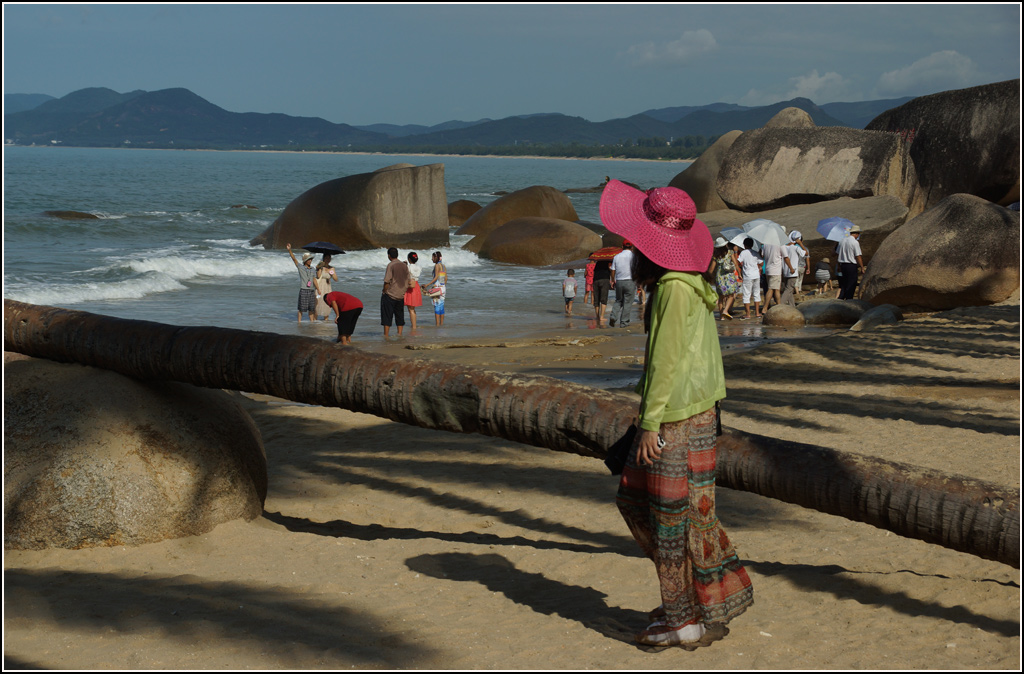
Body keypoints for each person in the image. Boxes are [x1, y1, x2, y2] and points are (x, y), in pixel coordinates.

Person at [599, 180, 753, 648]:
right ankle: (694, 605)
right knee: (688, 515)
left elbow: (665, 361)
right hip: (701, 413)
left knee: (663, 517)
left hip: (675, 420)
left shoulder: (672, 290)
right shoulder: (694, 287)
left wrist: (650, 423)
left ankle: (683, 619)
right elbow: (700, 359)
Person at [381, 247, 410, 338]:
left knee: (387, 316)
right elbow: (408, 280)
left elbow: (387, 281)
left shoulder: (391, 265)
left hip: (390, 294)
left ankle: (386, 335)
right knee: (399, 316)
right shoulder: (404, 265)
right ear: (397, 255)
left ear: (389, 256)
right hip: (400, 295)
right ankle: (399, 334)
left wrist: (384, 291)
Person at [285, 243, 318, 323]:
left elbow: (314, 279)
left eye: (311, 259)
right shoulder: (301, 267)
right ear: (305, 260)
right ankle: (299, 322)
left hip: (311, 290)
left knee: (311, 309)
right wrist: (289, 250)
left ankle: (311, 323)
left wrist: (318, 289)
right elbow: (294, 259)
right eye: (309, 259)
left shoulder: (313, 269)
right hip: (303, 289)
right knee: (301, 309)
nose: (310, 261)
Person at [712, 238, 741, 320]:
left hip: (719, 277)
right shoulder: (729, 253)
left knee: (721, 297)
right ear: (725, 245)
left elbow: (712, 269)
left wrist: (710, 277)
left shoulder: (715, 255)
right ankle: (725, 310)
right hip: (729, 276)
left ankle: (722, 317)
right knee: (731, 295)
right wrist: (739, 274)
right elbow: (735, 264)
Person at [609, 241, 636, 328]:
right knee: (627, 303)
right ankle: (624, 323)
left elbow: (613, 270)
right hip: (630, 281)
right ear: (632, 247)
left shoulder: (617, 257)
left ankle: (613, 316)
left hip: (619, 281)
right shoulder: (634, 257)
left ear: (622, 246)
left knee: (618, 300)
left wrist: (613, 281)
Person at [837, 225, 865, 300]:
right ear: (856, 234)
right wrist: (862, 267)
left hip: (843, 265)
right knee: (852, 283)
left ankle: (841, 298)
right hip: (851, 265)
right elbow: (858, 256)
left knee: (844, 283)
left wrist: (838, 265)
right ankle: (849, 299)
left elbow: (838, 253)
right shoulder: (855, 242)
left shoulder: (842, 241)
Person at [737, 238, 762, 319]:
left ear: (744, 245)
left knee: (747, 294)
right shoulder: (755, 252)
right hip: (756, 275)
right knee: (756, 293)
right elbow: (761, 262)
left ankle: (748, 314)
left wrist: (741, 266)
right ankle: (757, 313)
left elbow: (738, 261)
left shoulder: (743, 253)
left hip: (747, 275)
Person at [423, 250, 448, 326]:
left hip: (437, 287)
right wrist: (442, 286)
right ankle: (441, 324)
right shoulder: (443, 266)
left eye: (432, 257)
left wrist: (427, 284)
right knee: (441, 307)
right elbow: (445, 278)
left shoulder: (437, 266)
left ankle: (437, 325)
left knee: (436, 306)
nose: (432, 259)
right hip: (443, 287)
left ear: (436, 257)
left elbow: (436, 277)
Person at [314, 254, 340, 321]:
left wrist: (331, 273)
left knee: (327, 302)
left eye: (329, 258)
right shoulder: (320, 267)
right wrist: (319, 268)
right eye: (326, 258)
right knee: (317, 302)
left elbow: (336, 279)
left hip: (327, 287)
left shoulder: (331, 268)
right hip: (320, 286)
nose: (328, 260)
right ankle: (315, 320)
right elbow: (318, 276)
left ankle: (326, 320)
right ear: (323, 258)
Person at [780, 233, 802, 307]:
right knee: (788, 290)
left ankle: (792, 306)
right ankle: (780, 304)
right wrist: (801, 244)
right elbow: (806, 253)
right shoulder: (795, 247)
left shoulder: (784, 247)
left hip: (785, 271)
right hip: (792, 272)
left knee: (789, 290)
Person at [404, 252, 423, 331]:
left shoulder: (408, 267)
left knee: (410, 309)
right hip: (416, 285)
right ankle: (414, 325)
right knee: (413, 309)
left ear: (409, 259)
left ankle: (414, 327)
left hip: (410, 287)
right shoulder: (419, 267)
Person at [592, 258, 612, 325]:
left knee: (596, 299)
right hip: (604, 279)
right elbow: (611, 269)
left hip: (595, 280)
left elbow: (594, 272)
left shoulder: (598, 262)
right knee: (604, 298)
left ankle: (597, 316)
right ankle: (602, 316)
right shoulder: (609, 261)